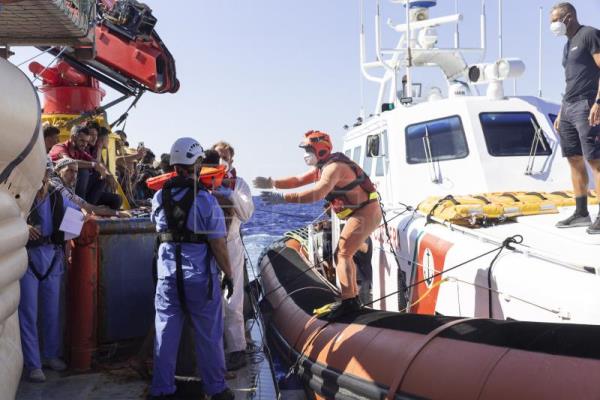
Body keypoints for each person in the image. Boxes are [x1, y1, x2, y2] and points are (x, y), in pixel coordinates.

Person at [254, 130, 382, 319]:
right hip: (359, 214)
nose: (306, 154)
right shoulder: (323, 167)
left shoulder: (334, 168)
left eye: (308, 149)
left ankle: (350, 301)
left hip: (365, 213)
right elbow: (297, 180)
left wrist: (280, 198)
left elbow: (316, 194)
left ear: (320, 150)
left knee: (343, 254)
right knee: (344, 253)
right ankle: (352, 297)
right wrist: (271, 183)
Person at [149, 137, 234, 400]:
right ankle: (216, 389)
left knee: (165, 332)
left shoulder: (158, 197)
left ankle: (162, 390)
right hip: (199, 278)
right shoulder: (206, 200)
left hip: (167, 278)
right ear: (197, 164)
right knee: (208, 335)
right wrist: (229, 274)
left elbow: (159, 229)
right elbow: (218, 245)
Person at [19, 169, 81, 382]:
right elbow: (5, 217)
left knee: (51, 311)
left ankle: (50, 355)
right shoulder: (20, 196)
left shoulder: (57, 195)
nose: (42, 178)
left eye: (45, 173)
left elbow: (77, 213)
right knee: (28, 313)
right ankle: (33, 364)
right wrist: (22, 227)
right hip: (27, 259)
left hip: (52, 258)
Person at [551, 2, 600, 233]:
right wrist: (562, 111)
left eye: (555, 20)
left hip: (587, 104)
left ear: (568, 18)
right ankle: (581, 213)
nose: (553, 25)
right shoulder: (567, 44)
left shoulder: (589, 35)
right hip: (569, 106)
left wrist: (598, 102)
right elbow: (570, 81)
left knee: (595, 160)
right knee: (574, 158)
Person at [212, 141, 254, 371]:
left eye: (225, 157)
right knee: (210, 299)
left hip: (231, 244)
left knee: (232, 299)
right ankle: (213, 348)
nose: (221, 160)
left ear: (231, 160)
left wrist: (228, 195)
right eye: (217, 156)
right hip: (205, 245)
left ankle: (237, 349)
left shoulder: (239, 184)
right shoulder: (203, 181)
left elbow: (246, 213)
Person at [49, 125, 121, 210]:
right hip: (59, 190)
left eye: (87, 142)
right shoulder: (60, 147)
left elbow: (97, 163)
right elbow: (69, 162)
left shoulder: (80, 151)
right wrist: (94, 165)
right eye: (82, 141)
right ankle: (84, 209)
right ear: (73, 137)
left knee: (116, 199)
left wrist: (108, 175)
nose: (85, 144)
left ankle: (90, 207)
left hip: (78, 192)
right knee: (84, 172)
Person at [51, 158, 129, 217]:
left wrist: (117, 213)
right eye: (69, 170)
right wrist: (117, 213)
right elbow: (89, 208)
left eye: (75, 172)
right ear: (58, 170)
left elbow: (88, 207)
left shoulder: (67, 189)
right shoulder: (55, 185)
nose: (74, 176)